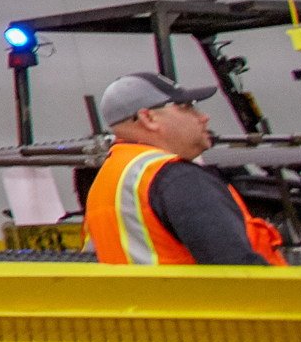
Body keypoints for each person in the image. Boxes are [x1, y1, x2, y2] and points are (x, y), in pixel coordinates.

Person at [87, 71, 288, 266]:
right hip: (207, 300)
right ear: (149, 118)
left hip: (146, 300)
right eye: (187, 107)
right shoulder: (178, 178)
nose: (203, 117)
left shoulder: (110, 180)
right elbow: (237, 271)